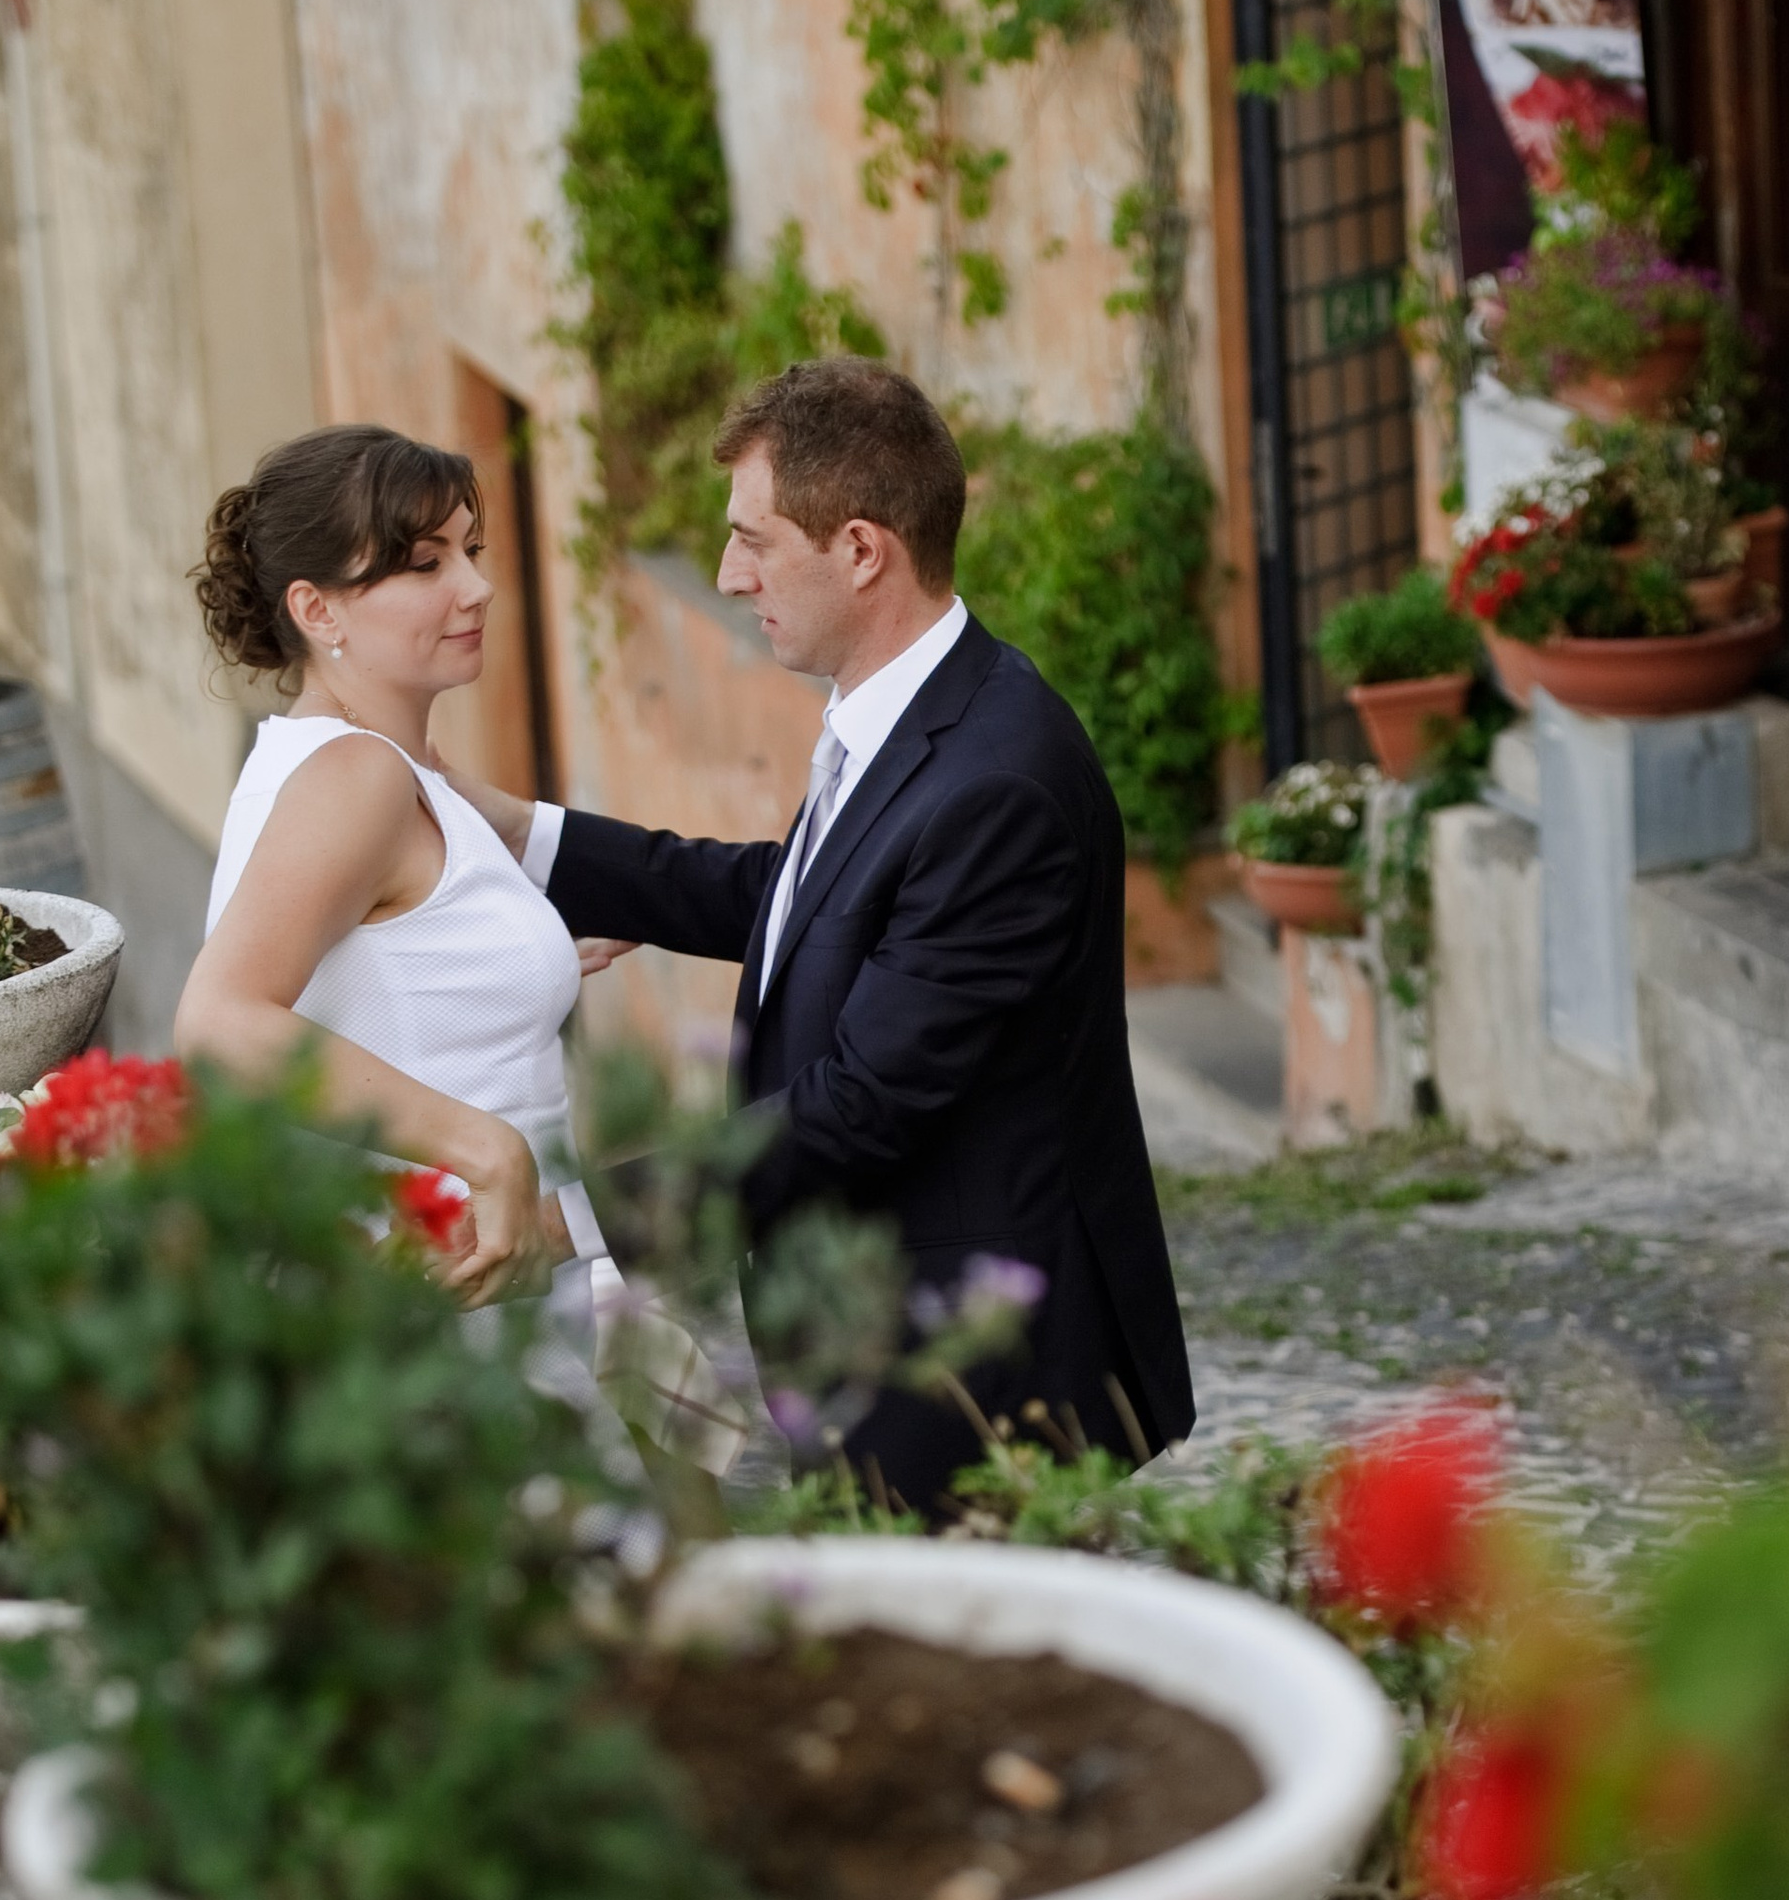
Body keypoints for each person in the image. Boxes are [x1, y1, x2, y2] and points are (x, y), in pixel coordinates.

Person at [463, 355, 1193, 1511]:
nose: (725, 572)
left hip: (974, 1373)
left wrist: (573, 1223)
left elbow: (860, 1104)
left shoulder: (995, 784)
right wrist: (538, 841)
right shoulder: (916, 712)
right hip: (880, 1340)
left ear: (860, 550)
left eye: (753, 541)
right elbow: (803, 899)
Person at [175, 424, 616, 1323]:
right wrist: (487, 1152)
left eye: (472, 550)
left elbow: (388, 973)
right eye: (424, 564)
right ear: (319, 610)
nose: (477, 587)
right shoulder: (355, 778)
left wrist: (525, 951)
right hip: (452, 1304)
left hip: (486, 1293)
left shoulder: (368, 766)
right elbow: (219, 1023)